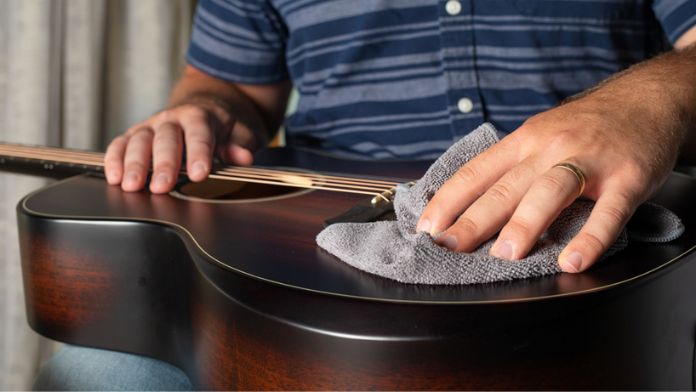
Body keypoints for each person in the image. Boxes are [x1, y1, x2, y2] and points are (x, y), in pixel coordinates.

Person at [35, 0, 696, 389]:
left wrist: (640, 105)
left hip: (603, 282)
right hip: (300, 277)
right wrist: (200, 113)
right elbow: (226, 88)